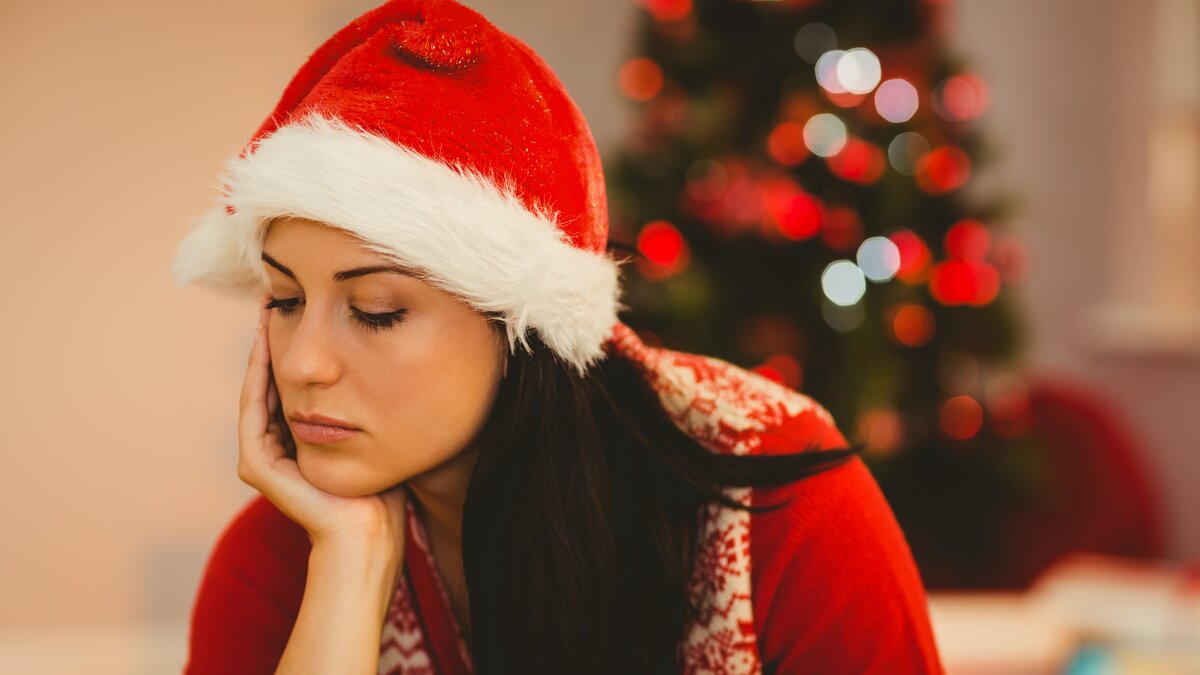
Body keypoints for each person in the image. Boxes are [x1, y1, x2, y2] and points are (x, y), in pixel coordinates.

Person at [172, 0, 945, 672]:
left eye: (376, 309)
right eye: (282, 298)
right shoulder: (283, 552)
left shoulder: (774, 501)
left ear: (524, 325)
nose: (303, 362)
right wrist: (347, 562)